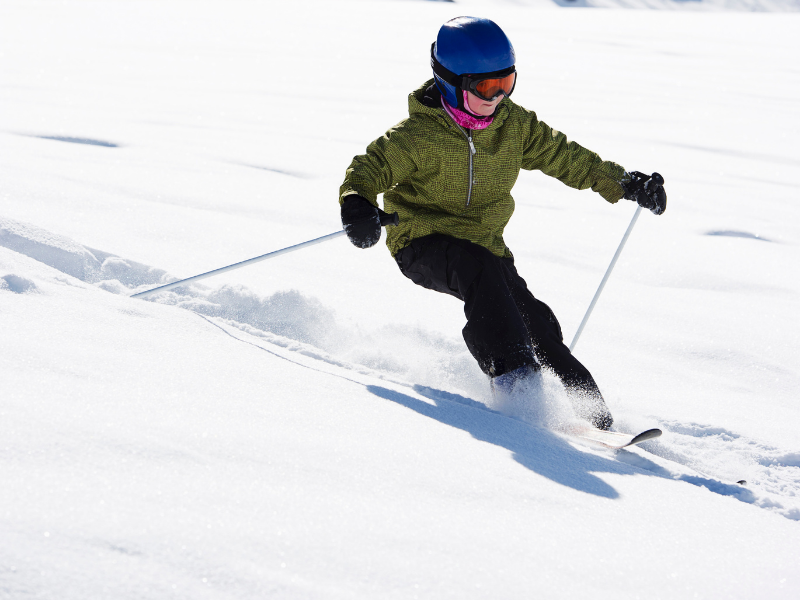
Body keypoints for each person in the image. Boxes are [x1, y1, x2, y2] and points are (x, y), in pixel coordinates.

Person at [338, 16, 666, 431]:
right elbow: (367, 171)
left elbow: (566, 156)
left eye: (506, 83)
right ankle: (518, 397)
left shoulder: (514, 126)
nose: (497, 98)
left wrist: (625, 184)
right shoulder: (416, 136)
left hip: (487, 247)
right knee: (480, 274)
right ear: (449, 82)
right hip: (421, 241)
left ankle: (591, 418)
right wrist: (357, 204)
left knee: (537, 325)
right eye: (485, 88)